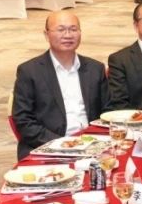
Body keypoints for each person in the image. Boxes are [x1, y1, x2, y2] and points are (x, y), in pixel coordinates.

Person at [12, 12, 108, 160]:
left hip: (92, 145)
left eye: (73, 29)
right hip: (47, 147)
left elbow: (108, 111)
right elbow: (23, 120)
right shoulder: (29, 71)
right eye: (61, 29)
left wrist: (94, 141)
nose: (68, 35)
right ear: (46, 35)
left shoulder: (95, 68)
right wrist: (64, 144)